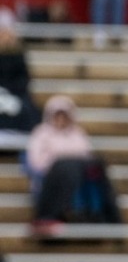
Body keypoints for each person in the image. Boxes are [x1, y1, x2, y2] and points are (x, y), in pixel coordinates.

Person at [26, 96, 120, 229]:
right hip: (51, 179)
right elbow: (36, 161)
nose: (61, 120)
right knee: (69, 171)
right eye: (57, 116)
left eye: (64, 116)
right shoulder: (41, 134)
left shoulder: (78, 133)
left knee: (92, 171)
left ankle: (92, 214)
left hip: (77, 179)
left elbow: (87, 156)